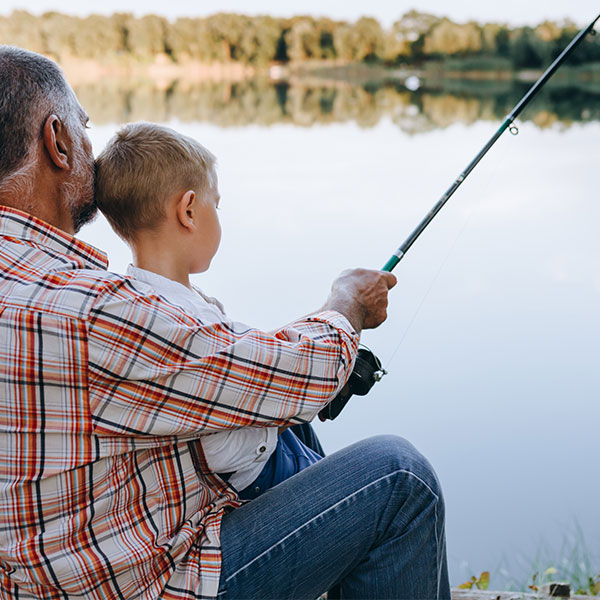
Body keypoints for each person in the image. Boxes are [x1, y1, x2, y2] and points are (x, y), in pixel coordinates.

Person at [0, 45, 450, 599]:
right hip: (143, 583)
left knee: (283, 420)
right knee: (399, 478)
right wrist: (346, 305)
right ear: (58, 142)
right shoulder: (87, 309)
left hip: (53, 568)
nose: (92, 148)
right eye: (84, 128)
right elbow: (295, 372)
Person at [94, 121, 323, 500]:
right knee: (392, 478)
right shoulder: (180, 320)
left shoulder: (141, 302)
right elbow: (214, 447)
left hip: (262, 452)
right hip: (257, 478)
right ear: (188, 211)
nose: (218, 216)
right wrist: (272, 414)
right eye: (214, 204)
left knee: (300, 424)